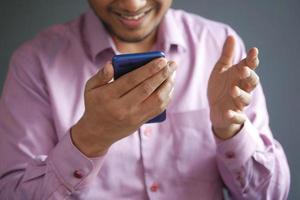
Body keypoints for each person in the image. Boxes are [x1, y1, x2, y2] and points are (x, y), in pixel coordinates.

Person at [0, 0, 290, 199]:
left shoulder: (219, 44)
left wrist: (231, 130)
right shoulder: (35, 63)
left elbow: (271, 195)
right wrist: (89, 139)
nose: (132, 5)